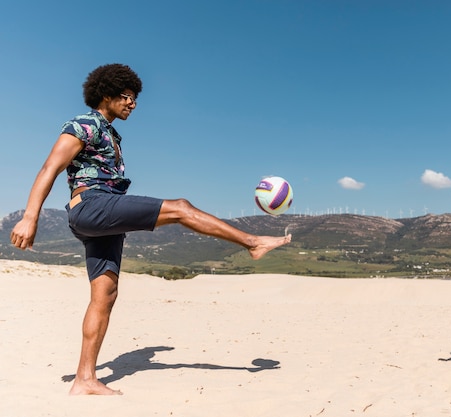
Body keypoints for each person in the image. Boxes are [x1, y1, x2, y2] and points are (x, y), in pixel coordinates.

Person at [10, 63, 292, 395]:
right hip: (92, 206)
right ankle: (252, 242)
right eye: (127, 97)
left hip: (104, 216)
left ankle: (84, 379)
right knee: (181, 208)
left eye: (135, 98)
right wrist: (31, 216)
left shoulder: (112, 133)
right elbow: (50, 167)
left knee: (105, 295)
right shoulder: (84, 124)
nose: (133, 104)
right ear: (107, 94)